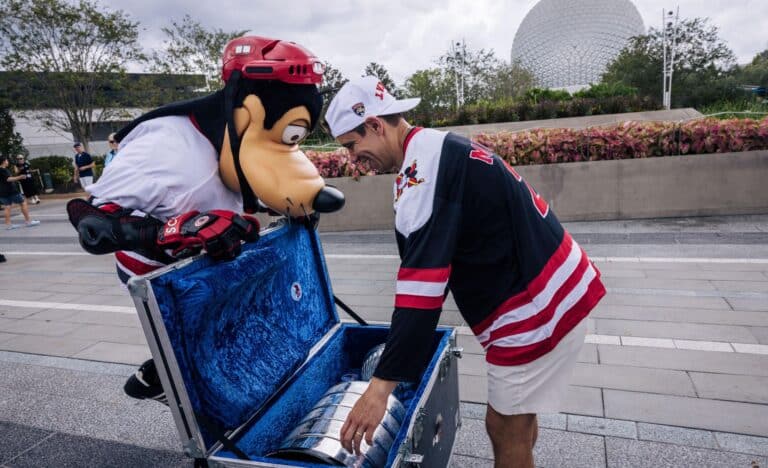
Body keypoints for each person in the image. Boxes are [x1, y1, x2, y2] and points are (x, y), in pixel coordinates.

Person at [324, 76, 606, 468]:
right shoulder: (432, 149)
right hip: (552, 286)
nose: (353, 158)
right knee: (516, 420)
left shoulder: (423, 172)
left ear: (374, 125)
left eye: (352, 145)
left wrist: (379, 389)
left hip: (538, 305)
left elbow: (422, 292)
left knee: (504, 427)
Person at [67, 35, 344, 405]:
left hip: (216, 259)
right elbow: (93, 227)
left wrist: (282, 205)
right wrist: (175, 230)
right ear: (245, 109)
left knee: (240, 342)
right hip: (162, 272)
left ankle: (168, 375)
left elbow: (253, 165)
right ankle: (168, 380)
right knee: (209, 367)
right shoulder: (168, 146)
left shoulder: (232, 136)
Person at [0, 157, 41, 229]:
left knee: (7, 206)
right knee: (23, 202)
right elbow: (8, 179)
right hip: (11, 191)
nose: (7, 162)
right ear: (3, 161)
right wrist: (20, 177)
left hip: (2, 192)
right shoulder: (3, 170)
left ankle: (8, 225)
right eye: (6, 160)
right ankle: (28, 221)